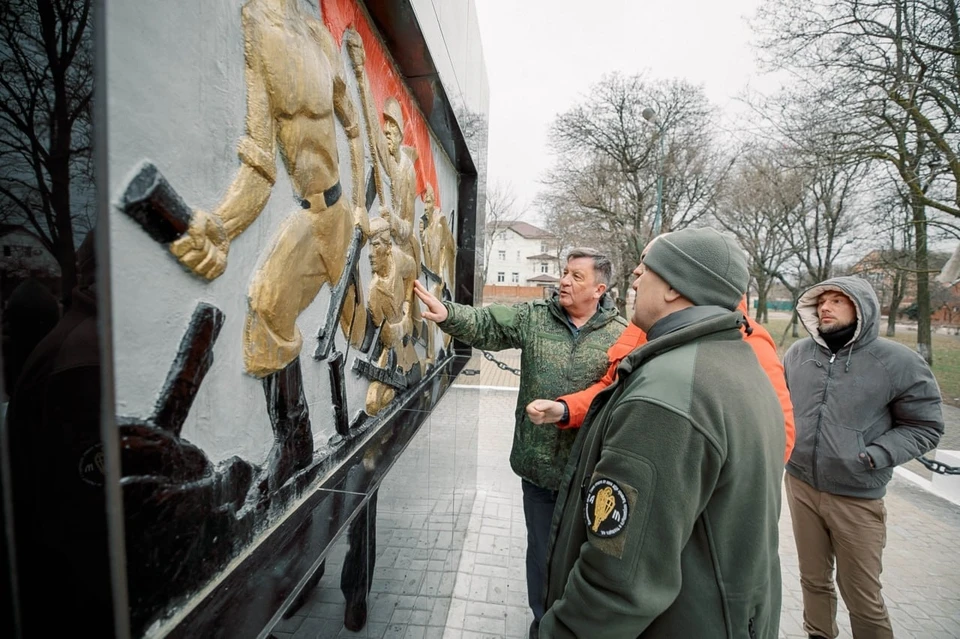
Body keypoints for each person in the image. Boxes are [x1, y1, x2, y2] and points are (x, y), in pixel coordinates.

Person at [540, 228, 784, 638]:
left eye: (646, 268)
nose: (635, 276)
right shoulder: (740, 365)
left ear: (674, 286)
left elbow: (620, 577)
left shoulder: (668, 393)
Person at [167, 0, 369, 490]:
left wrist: (362, 201)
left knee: (358, 328)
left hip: (342, 214)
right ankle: (295, 438)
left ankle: (364, 391)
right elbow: (260, 164)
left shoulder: (320, 36)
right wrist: (221, 225)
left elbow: (354, 127)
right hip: (307, 215)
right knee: (265, 308)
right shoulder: (257, 28)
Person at [413, 249, 627, 637]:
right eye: (563, 272)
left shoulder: (621, 335)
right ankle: (542, 625)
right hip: (538, 468)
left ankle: (575, 622)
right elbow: (487, 324)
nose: (563, 281)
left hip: (589, 475)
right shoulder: (536, 316)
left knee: (583, 558)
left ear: (599, 288)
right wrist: (448, 315)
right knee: (542, 556)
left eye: (576, 276)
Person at [526, 234, 794, 463]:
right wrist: (566, 409)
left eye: (648, 262)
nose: (636, 272)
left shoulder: (746, 342)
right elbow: (611, 387)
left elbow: (778, 439)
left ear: (680, 278)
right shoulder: (641, 329)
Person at [782, 277, 943, 639]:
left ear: (862, 308)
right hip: (800, 486)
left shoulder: (898, 361)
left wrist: (874, 455)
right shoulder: (798, 354)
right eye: (822, 301)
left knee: (862, 596)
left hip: (857, 495)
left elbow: (926, 426)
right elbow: (782, 410)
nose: (825, 307)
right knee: (812, 581)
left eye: (838, 300)